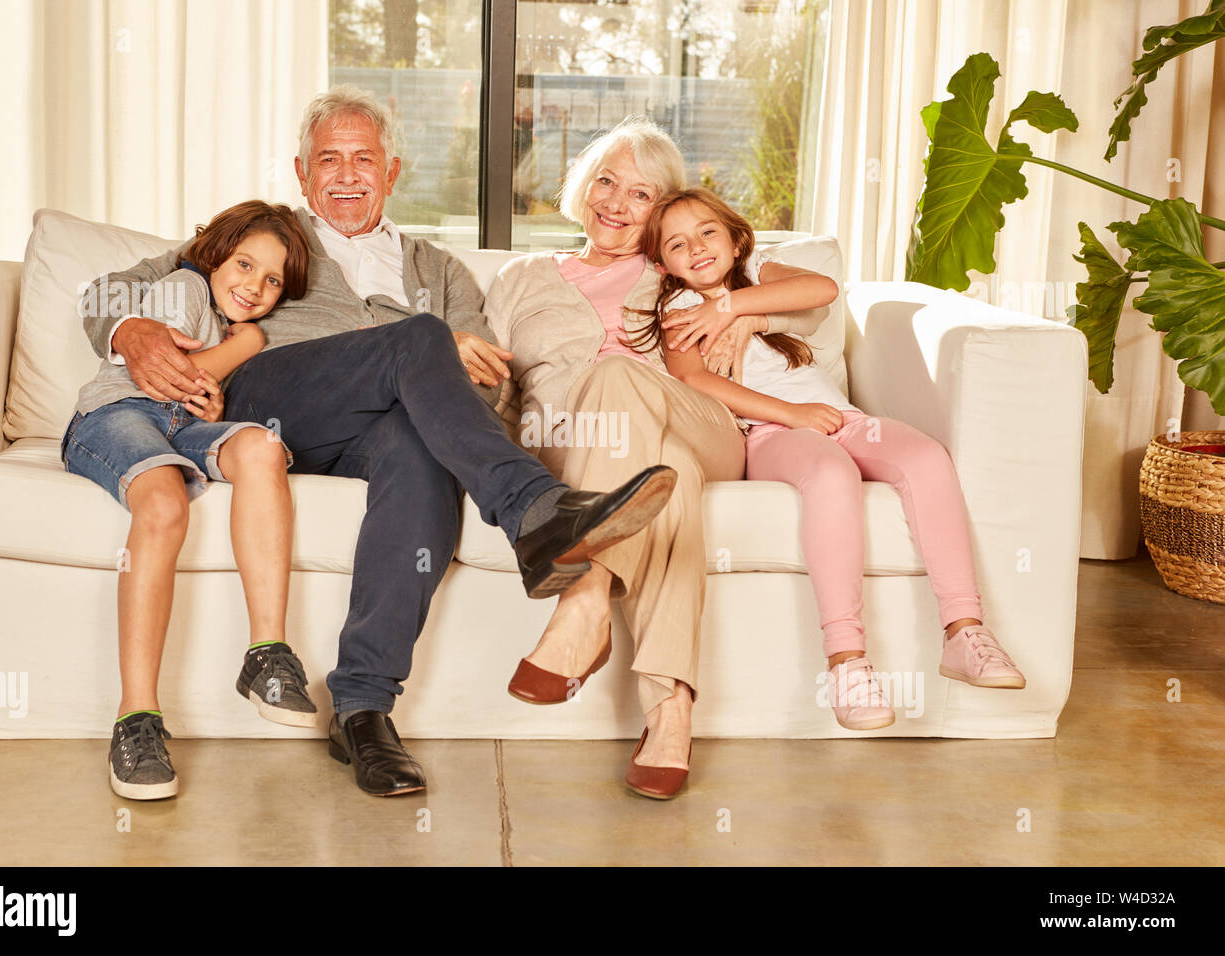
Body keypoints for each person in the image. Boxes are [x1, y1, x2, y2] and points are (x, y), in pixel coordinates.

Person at [77, 88, 675, 799]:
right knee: (423, 338)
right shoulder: (270, 238)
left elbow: (475, 393)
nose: (347, 174)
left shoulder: (440, 271)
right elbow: (109, 291)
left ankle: (363, 707)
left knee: (421, 450)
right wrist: (131, 332)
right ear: (303, 175)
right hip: (267, 405)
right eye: (328, 159)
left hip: (368, 430)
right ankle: (534, 511)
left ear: (392, 173)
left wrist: (429, 360)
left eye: (364, 159)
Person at [485, 119, 824, 799]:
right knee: (672, 478)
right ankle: (670, 710)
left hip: (702, 427)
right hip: (571, 438)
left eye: (641, 194)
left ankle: (585, 599)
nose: (616, 202)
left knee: (623, 385)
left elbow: (811, 301)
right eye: (605, 181)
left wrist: (740, 309)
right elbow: (492, 384)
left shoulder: (679, 266)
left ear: (662, 211)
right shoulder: (521, 278)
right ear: (583, 186)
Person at [640, 187, 1027, 732]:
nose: (698, 249)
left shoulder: (754, 274)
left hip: (838, 414)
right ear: (662, 263)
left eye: (707, 232)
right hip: (770, 432)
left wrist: (735, 308)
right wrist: (791, 414)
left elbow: (822, 288)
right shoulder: (678, 309)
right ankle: (847, 661)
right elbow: (694, 380)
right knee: (829, 470)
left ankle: (964, 631)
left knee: (925, 456)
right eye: (677, 245)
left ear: (733, 238)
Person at [63, 200, 316, 799]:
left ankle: (267, 654)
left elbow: (195, 391)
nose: (254, 287)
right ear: (214, 255)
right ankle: (136, 721)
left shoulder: (227, 313)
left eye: (272, 281)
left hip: (179, 422)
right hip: (117, 414)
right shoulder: (182, 285)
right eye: (244, 265)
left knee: (261, 448)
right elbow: (177, 370)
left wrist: (218, 402)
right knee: (164, 502)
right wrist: (248, 343)